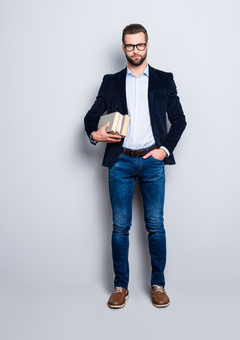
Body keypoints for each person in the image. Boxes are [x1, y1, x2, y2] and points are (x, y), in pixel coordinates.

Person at [84, 23, 187, 309]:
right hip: (120, 161)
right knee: (120, 226)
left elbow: (179, 120)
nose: (135, 50)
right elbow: (91, 117)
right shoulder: (111, 81)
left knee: (155, 225)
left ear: (147, 45)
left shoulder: (164, 79)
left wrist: (163, 150)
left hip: (152, 161)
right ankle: (120, 287)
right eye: (130, 46)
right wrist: (96, 134)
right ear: (123, 48)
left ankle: (158, 285)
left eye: (140, 45)